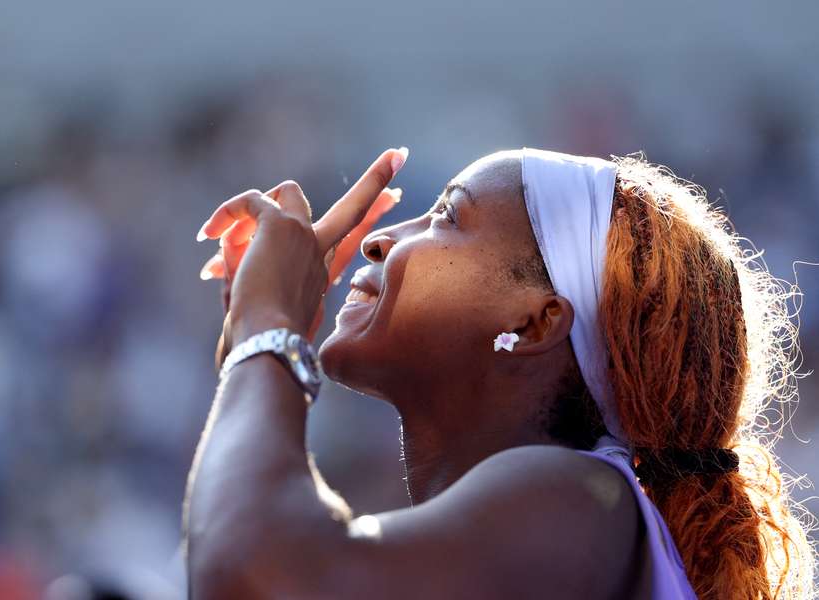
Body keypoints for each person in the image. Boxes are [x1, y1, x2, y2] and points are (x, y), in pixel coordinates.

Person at [184, 147, 815, 599]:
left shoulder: (581, 499)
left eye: (446, 218)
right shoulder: (568, 512)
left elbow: (263, 575)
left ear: (539, 323)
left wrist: (266, 334)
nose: (379, 241)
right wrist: (259, 344)